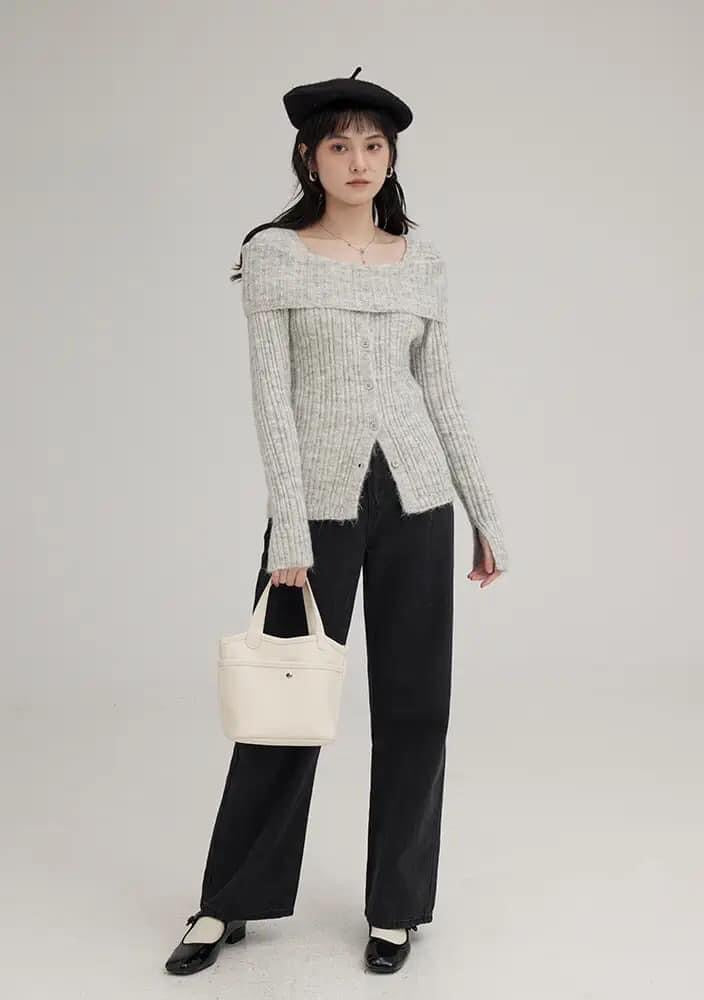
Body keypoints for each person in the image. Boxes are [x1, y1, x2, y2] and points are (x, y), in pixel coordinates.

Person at [165, 66, 509, 978]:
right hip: (314, 508)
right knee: (282, 704)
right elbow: (271, 398)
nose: (358, 160)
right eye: (339, 145)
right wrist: (288, 527)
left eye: (374, 145)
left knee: (416, 708)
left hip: (419, 503)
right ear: (308, 158)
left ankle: (397, 907)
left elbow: (442, 393)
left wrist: (484, 514)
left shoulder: (422, 260)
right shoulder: (275, 255)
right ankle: (228, 900)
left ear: (391, 158)